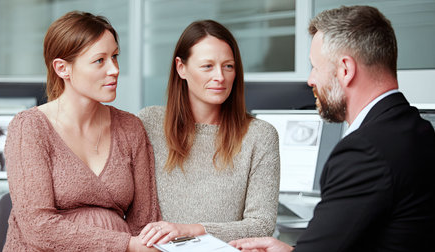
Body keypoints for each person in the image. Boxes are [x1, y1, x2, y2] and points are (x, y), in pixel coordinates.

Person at [230, 5, 435, 252]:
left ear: (345, 70)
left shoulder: (364, 152)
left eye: (315, 67)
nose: (310, 80)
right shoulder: (419, 130)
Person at [4, 11, 160, 251]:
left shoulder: (131, 128)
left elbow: (145, 222)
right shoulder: (30, 128)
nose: (114, 69)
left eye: (115, 56)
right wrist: (125, 245)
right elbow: (38, 227)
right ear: (62, 68)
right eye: (100, 60)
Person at [137, 20, 280, 246]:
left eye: (228, 66)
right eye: (207, 66)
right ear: (181, 67)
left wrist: (191, 230)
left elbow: (261, 225)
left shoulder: (260, 135)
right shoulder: (149, 123)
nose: (220, 77)